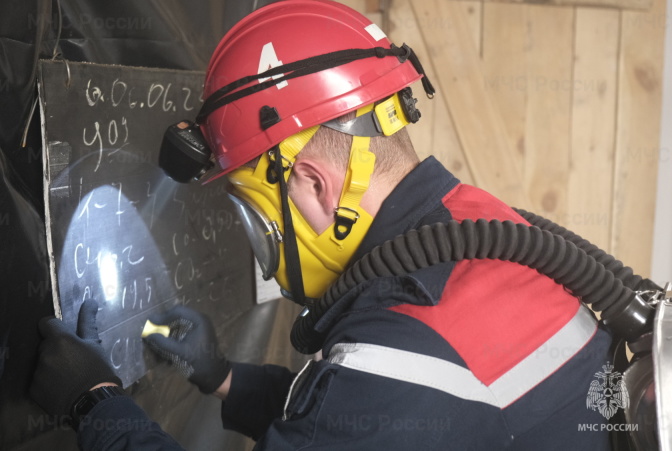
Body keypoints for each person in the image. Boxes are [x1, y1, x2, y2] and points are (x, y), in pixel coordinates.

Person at [30, 0, 612, 449]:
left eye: (254, 215)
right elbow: (361, 421)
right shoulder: (482, 224)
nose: (261, 244)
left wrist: (93, 403)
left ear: (312, 184)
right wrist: (226, 377)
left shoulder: (408, 353)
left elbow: (378, 407)